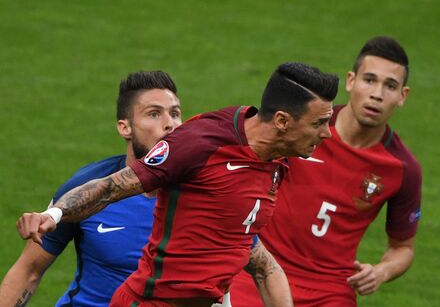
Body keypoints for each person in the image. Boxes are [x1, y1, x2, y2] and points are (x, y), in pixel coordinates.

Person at [16, 62, 339, 307]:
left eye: (174, 112)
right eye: (319, 123)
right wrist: (55, 215)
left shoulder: (275, 161)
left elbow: (261, 264)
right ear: (282, 121)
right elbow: (113, 187)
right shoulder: (201, 143)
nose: (326, 133)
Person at [230, 36, 422, 306]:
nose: (377, 94)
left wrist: (380, 272)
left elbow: (402, 247)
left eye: (390, 86)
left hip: (330, 292)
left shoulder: (402, 168)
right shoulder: (300, 125)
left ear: (403, 96)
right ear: (351, 81)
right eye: (369, 80)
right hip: (260, 271)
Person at [0, 70, 182, 307]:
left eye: (175, 113)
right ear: (125, 127)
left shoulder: (210, 192)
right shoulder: (85, 189)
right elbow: (29, 271)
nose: (170, 124)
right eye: (154, 114)